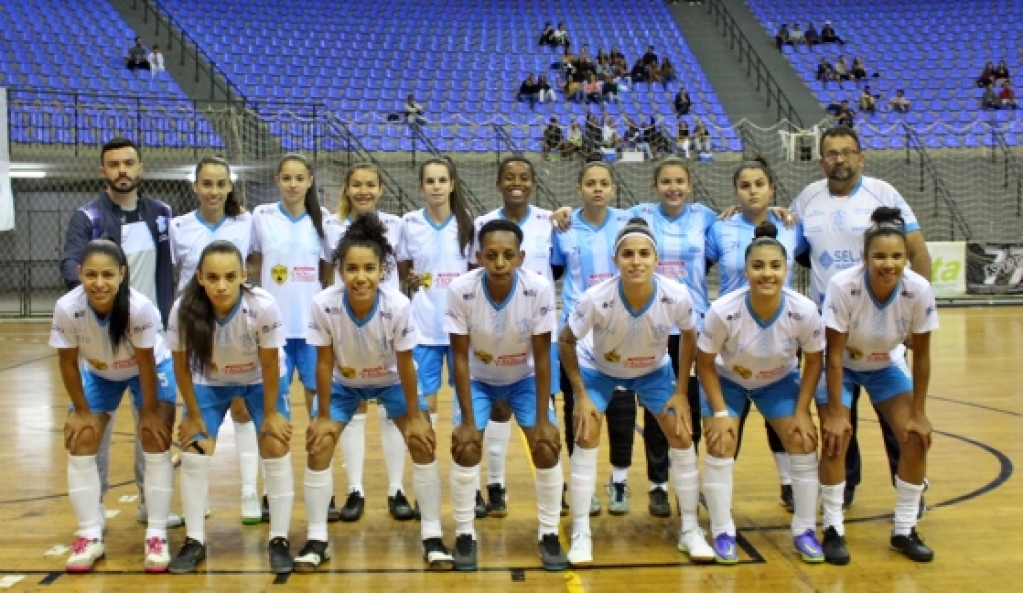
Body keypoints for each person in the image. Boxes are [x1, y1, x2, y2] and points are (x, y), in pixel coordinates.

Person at [789, 125, 932, 528]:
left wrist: (917, 308)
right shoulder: (807, 199)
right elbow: (785, 243)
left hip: (884, 324)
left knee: (897, 423)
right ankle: (843, 488)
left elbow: (916, 250)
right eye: (832, 154)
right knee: (838, 419)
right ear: (821, 161)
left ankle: (908, 486)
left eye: (848, 152)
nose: (840, 160)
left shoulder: (883, 194)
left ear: (861, 158)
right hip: (829, 327)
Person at [296, 213, 452, 572]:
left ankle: (432, 536)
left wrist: (414, 416)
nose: (360, 277)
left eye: (369, 268)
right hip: (343, 384)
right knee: (318, 445)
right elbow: (323, 362)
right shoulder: (324, 304)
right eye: (352, 268)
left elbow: (405, 363)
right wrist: (321, 416)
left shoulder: (397, 305)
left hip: (393, 381)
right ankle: (317, 538)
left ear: (383, 270)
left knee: (422, 443)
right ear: (340, 269)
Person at [559, 218, 714, 567]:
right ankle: (581, 531)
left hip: (653, 370)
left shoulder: (676, 295)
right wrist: (581, 395)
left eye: (644, 254)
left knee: (681, 433)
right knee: (586, 433)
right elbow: (565, 340)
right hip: (599, 369)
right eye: (628, 254)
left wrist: (681, 391)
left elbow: (690, 336)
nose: (636, 261)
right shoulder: (596, 298)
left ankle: (690, 529)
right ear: (616, 261)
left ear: (656, 260)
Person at [60, 137, 177, 530]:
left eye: (128, 163)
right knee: (93, 431)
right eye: (113, 165)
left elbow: (176, 264)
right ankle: (93, 512)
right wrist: (96, 301)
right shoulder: (88, 216)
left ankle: (151, 504)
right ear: (102, 171)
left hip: (148, 336)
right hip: (103, 343)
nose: (121, 170)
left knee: (153, 422)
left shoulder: (161, 214)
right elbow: (71, 265)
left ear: (140, 167)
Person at [698, 222, 825, 564]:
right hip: (728, 380)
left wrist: (801, 411)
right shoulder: (724, 310)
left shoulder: (804, 310)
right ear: (746, 269)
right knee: (721, 442)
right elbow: (705, 362)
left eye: (774, 266)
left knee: (802, 440)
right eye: (758, 266)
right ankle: (723, 530)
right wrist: (721, 414)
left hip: (778, 381)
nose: (766, 274)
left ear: (786, 269)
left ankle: (804, 529)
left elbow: (814, 361)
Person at [817, 207, 938, 565]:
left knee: (915, 438)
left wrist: (919, 413)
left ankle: (904, 529)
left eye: (897, 256)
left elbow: (923, 356)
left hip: (886, 364)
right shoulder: (844, 286)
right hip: (844, 366)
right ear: (865, 257)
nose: (889, 263)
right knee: (836, 437)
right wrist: (837, 413)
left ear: (906, 258)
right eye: (880, 256)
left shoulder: (919, 290)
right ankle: (834, 527)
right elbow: (834, 356)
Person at [445, 219, 567, 571]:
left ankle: (549, 532)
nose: (500, 263)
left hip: (524, 377)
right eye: (492, 255)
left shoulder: (539, 289)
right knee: (466, 446)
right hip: (479, 379)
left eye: (508, 255)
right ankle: (466, 534)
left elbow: (544, 356)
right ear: (480, 256)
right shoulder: (460, 290)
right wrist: (468, 420)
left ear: (521, 257)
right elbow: (458, 358)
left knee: (545, 446)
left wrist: (544, 417)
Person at [165, 240, 295, 574]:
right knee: (194, 451)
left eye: (229, 276)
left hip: (259, 380)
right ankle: (195, 540)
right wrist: (193, 414)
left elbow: (269, 365)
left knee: (275, 445)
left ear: (243, 275)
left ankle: (279, 539)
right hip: (208, 382)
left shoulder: (263, 306)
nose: (221, 285)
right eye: (212, 277)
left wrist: (270, 414)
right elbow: (180, 367)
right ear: (200, 277)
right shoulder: (183, 310)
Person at [54, 239, 177, 573]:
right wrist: (81, 412)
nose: (99, 282)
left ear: (123, 274)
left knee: (156, 436)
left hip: (146, 370)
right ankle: (89, 533)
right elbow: (67, 364)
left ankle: (156, 533)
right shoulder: (68, 308)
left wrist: (150, 411)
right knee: (80, 439)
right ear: (79, 273)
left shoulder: (140, 308)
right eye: (90, 274)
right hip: (99, 371)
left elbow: (146, 362)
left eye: (108, 274)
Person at [706, 159, 807, 512]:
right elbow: (696, 266)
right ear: (736, 191)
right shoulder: (720, 227)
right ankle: (718, 488)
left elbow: (811, 260)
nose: (753, 191)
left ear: (772, 188)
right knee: (732, 417)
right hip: (730, 336)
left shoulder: (792, 225)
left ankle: (789, 483)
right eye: (746, 185)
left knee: (778, 411)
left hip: (779, 333)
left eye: (759, 184)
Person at [169, 156, 264, 524]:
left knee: (241, 407)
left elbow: (253, 263)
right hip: (195, 325)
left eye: (220, 184)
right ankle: (198, 498)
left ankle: (249, 492)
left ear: (229, 186)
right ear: (195, 187)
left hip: (237, 322)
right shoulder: (178, 227)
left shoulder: (247, 222)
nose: (213, 191)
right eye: (206, 184)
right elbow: (174, 276)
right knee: (196, 408)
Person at [466, 157, 558, 518]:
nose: (516, 183)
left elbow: (560, 267)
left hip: (535, 325)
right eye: (509, 177)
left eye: (523, 177)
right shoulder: (481, 224)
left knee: (539, 413)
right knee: (496, 407)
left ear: (533, 183)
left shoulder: (551, 222)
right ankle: (494, 483)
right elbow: (474, 274)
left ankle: (553, 489)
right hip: (492, 324)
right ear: (498, 183)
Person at [321, 163, 411, 523]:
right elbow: (326, 272)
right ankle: (355, 489)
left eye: (370, 185)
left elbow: (405, 270)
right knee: (354, 407)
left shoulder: (397, 225)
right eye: (356, 185)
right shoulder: (330, 225)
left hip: (388, 324)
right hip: (347, 322)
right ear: (347, 188)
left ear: (381, 189)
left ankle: (396, 489)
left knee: (395, 410)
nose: (363, 191)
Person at [550, 163, 634, 517]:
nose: (597, 189)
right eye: (590, 183)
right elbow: (555, 269)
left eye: (603, 183)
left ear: (613, 188)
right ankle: (582, 481)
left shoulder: (629, 221)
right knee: (577, 408)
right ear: (579, 187)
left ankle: (619, 480)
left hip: (620, 326)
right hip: (576, 332)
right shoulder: (564, 227)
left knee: (621, 408)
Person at [249, 154, 331, 516]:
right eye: (286, 178)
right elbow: (252, 262)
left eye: (300, 178)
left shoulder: (323, 220)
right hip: (274, 334)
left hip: (312, 332)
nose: (293, 184)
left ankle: (323, 487)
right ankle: (273, 490)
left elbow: (327, 269)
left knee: (320, 410)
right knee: (273, 410)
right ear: (278, 180)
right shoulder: (261, 217)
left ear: (310, 181)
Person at [397, 158, 475, 513]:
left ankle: (467, 486)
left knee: (466, 406)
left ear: (453, 183)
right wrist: (409, 279)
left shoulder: (469, 224)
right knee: (421, 407)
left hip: (461, 329)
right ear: (421, 186)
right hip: (424, 328)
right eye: (429, 180)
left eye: (442, 179)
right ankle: (426, 484)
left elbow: (477, 272)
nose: (436, 186)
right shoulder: (409, 224)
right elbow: (402, 268)